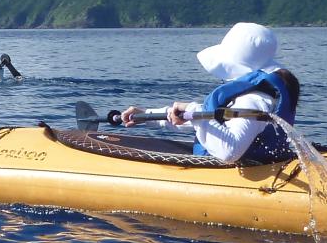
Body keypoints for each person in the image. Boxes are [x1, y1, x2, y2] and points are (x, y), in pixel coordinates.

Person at [120, 21, 300, 164]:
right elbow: (213, 125)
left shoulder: (252, 100)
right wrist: (145, 115)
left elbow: (230, 151)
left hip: (245, 175)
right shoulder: (255, 95)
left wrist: (193, 110)